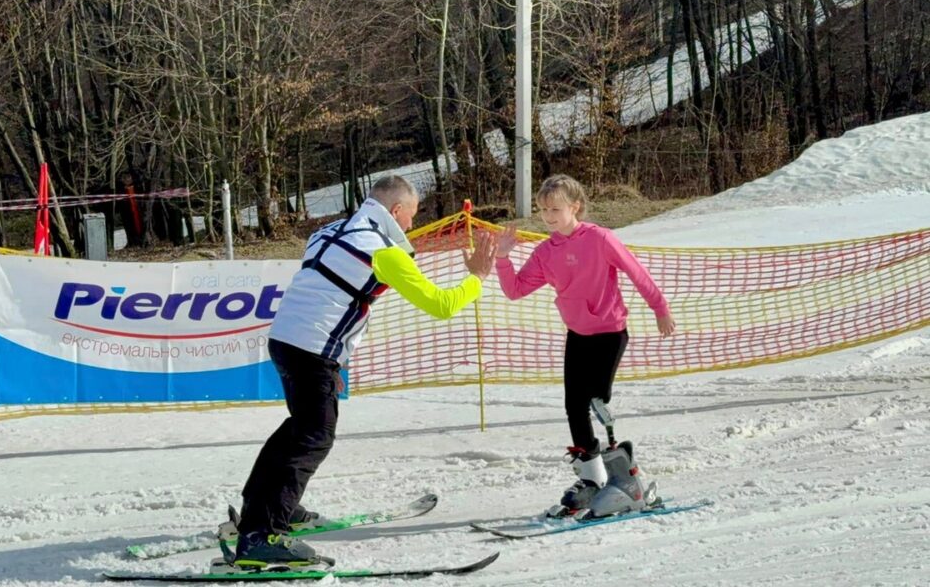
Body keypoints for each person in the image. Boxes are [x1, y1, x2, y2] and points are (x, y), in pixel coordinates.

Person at [234, 175, 497, 567]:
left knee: (300, 428)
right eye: (411, 216)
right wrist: (477, 277)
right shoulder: (384, 252)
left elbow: (329, 292)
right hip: (310, 348)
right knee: (313, 436)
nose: (410, 225)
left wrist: (334, 359)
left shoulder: (327, 231)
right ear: (395, 212)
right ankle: (262, 535)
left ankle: (262, 511)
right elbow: (441, 305)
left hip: (287, 340)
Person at [494, 174, 675, 515]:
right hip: (577, 335)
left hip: (609, 332)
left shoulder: (600, 239)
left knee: (595, 400)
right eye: (543, 209)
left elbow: (637, 272)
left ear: (575, 206)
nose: (548, 216)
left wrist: (660, 309)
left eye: (555, 209)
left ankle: (627, 480)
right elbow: (515, 290)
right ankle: (592, 480)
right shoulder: (546, 252)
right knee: (573, 407)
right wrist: (503, 258)